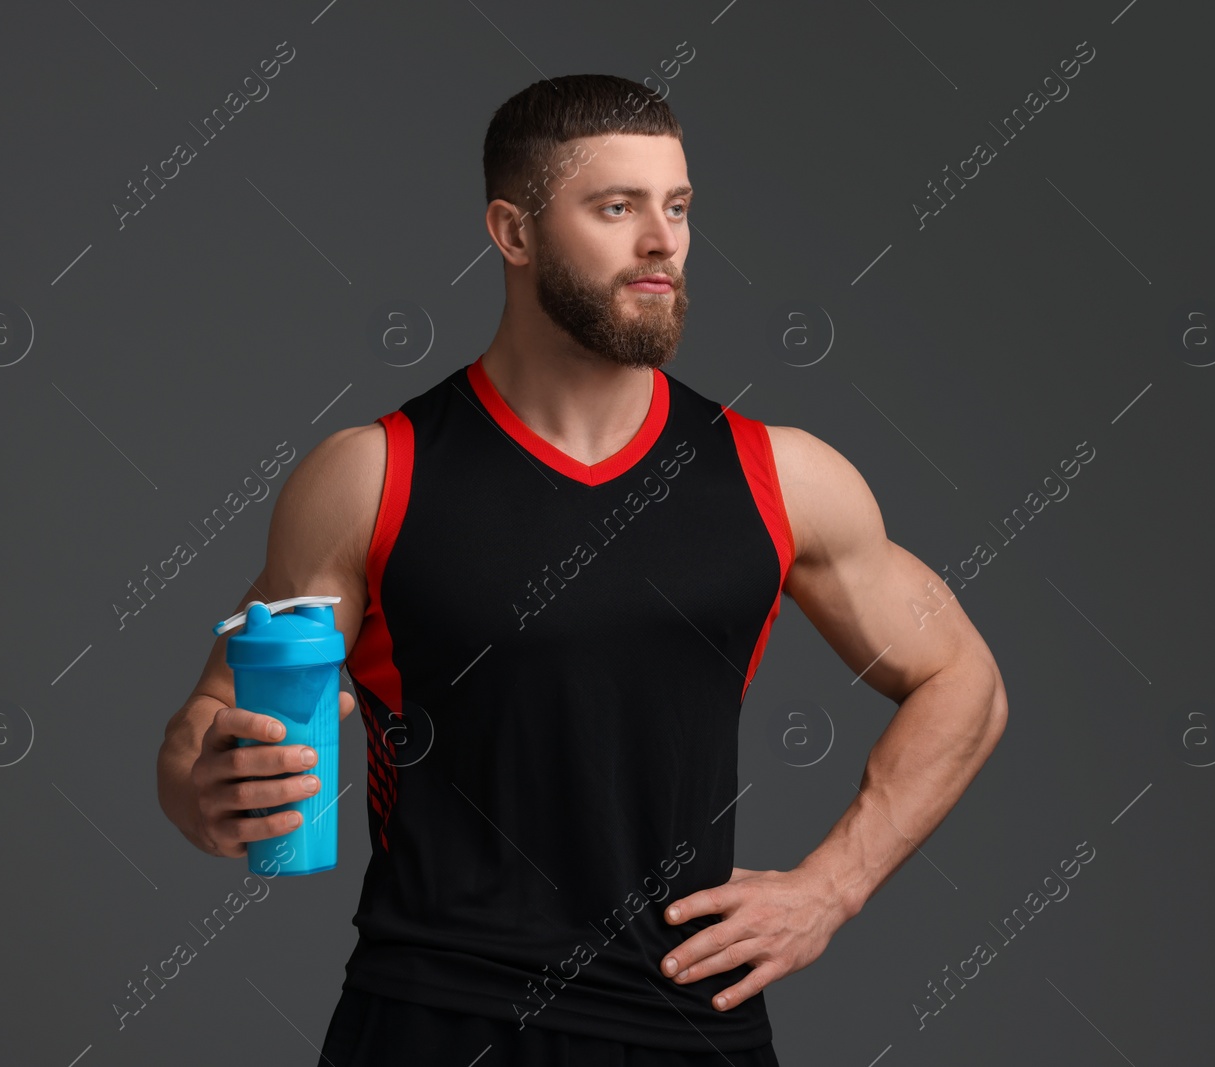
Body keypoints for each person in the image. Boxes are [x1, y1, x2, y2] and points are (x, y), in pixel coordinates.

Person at [155, 73, 1008, 1066]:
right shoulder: (371, 474)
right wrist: (205, 786)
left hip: (686, 1027)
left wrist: (834, 883)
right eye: (617, 207)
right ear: (512, 233)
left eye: (677, 207)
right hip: (431, 1021)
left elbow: (965, 682)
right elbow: (208, 722)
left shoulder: (781, 475)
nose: (663, 241)